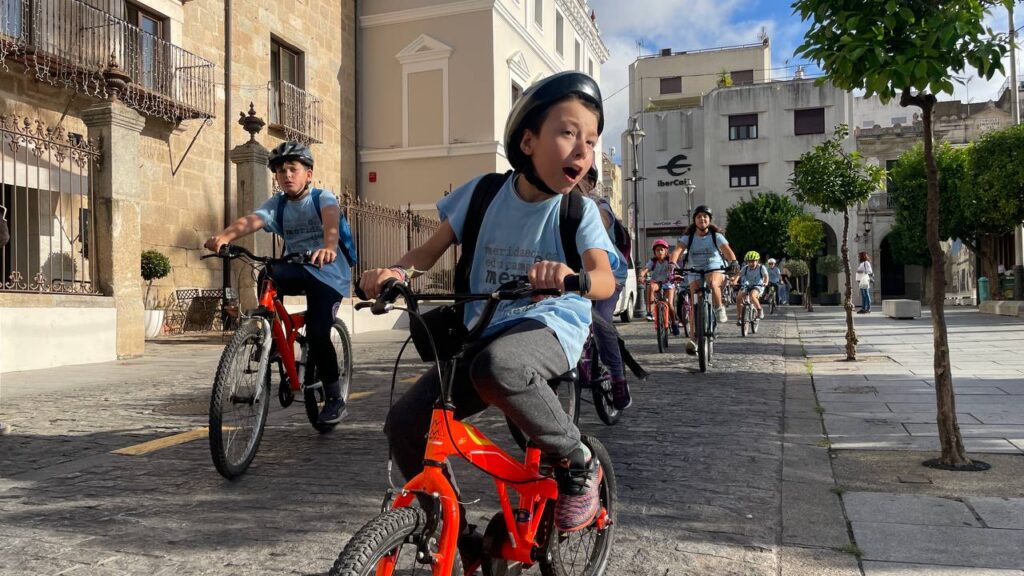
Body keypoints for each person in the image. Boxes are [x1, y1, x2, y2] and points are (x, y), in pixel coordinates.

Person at [359, 72, 620, 542]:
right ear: (527, 140)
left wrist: (569, 277)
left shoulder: (577, 212)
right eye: (567, 132)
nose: (583, 150)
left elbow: (603, 278)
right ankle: (452, 536)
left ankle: (579, 460)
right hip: (480, 330)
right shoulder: (483, 194)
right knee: (405, 423)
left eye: (591, 139)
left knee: (497, 367)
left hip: (548, 327)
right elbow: (425, 252)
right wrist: (396, 274)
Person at [204, 142, 350, 425]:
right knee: (268, 271)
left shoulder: (322, 198)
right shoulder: (279, 204)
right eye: (280, 171)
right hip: (298, 266)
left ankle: (335, 398)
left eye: (293, 169)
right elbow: (252, 220)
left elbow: (331, 222)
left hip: (328, 272)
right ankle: (265, 330)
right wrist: (224, 237)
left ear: (308, 174)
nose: (286, 175)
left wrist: (329, 246)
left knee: (319, 333)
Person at [579, 168, 633, 410]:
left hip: (610, 274)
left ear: (590, 183)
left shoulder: (599, 205)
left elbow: (601, 219)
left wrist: (576, 204)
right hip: (578, 276)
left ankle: (618, 379)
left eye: (580, 177)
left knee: (601, 321)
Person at [669, 206, 739, 355]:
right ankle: (694, 339)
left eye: (705, 216)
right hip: (695, 270)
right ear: (694, 220)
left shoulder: (716, 236)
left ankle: (720, 308)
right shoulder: (689, 237)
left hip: (714, 267)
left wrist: (733, 261)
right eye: (699, 216)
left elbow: (728, 251)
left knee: (713, 283)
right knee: (695, 307)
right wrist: (672, 263)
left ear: (709, 220)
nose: (702, 219)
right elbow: (677, 251)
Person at [640, 239, 680, 334]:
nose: (660, 252)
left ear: (666, 251)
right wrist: (641, 275)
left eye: (662, 249)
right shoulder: (653, 261)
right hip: (657, 282)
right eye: (657, 250)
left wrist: (677, 275)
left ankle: (674, 323)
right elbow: (645, 269)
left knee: (670, 304)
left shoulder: (670, 260)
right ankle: (650, 312)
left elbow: (677, 269)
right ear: (655, 252)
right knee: (651, 287)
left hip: (669, 283)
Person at [736, 251, 768, 324]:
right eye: (749, 262)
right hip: (747, 285)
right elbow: (739, 275)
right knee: (738, 297)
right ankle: (739, 317)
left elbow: (766, 276)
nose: (751, 264)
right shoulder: (745, 268)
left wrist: (765, 282)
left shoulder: (761, 268)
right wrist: (734, 281)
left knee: (752, 296)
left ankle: (760, 310)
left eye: (753, 262)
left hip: (758, 285)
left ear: (757, 261)